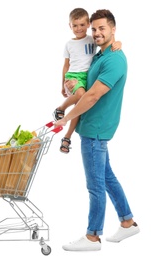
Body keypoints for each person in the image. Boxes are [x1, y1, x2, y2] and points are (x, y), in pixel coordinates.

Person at [54, 9, 140, 251]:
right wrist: (70, 83)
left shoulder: (114, 58)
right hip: (92, 126)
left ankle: (93, 237)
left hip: (95, 129)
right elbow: (82, 77)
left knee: (95, 185)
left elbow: (92, 95)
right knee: (107, 178)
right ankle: (127, 222)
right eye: (94, 29)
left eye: (102, 28)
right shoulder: (101, 54)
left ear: (113, 29)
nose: (97, 32)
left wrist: (66, 118)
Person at [53, 8, 121, 154]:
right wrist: (63, 84)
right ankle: (62, 112)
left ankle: (66, 133)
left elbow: (109, 42)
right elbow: (66, 65)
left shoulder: (95, 42)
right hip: (74, 76)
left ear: (87, 25)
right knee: (81, 98)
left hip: (85, 78)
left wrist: (119, 42)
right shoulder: (71, 45)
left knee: (81, 103)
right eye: (75, 26)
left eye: (82, 25)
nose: (79, 29)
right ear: (70, 26)